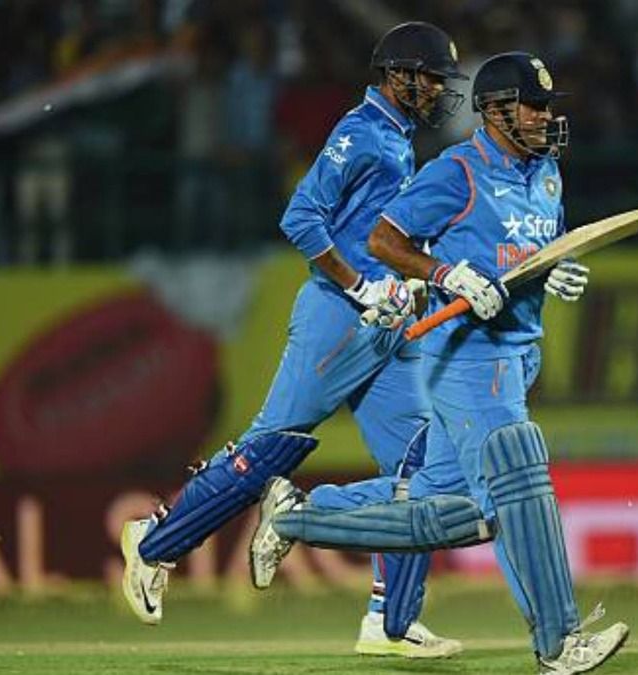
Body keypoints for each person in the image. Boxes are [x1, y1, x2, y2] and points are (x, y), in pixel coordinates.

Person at [249, 52, 628, 674]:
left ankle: (301, 516)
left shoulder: (546, 174)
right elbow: (383, 240)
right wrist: (445, 273)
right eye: (533, 106)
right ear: (496, 110)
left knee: (436, 500)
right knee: (514, 492)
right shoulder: (456, 171)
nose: (544, 117)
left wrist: (554, 269)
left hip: (519, 354)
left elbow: (534, 250)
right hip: (470, 361)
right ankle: (560, 644)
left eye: (547, 107)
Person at [119, 21, 468, 658]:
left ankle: (390, 622)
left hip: (386, 323)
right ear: (398, 76)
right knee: (273, 446)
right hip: (341, 316)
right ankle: (153, 542)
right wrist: (361, 287)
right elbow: (300, 217)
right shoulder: (362, 132)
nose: (442, 91)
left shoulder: (396, 138)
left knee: (419, 469)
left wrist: (409, 285)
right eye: (432, 79)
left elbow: (381, 236)